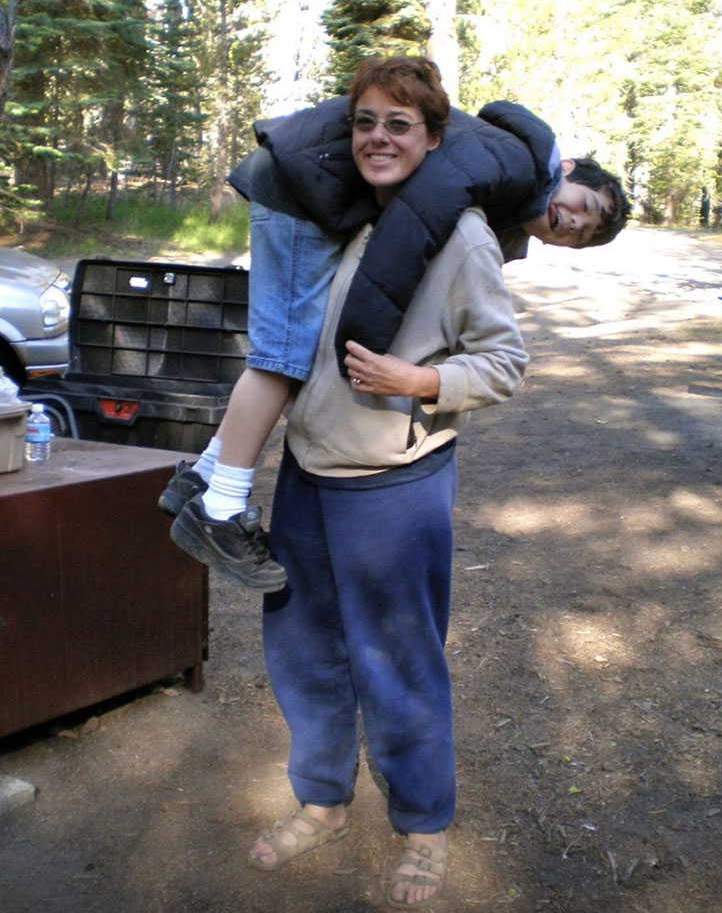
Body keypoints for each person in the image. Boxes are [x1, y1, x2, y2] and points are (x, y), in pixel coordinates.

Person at [163, 76, 630, 593]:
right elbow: (419, 216)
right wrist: (364, 332)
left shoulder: (509, 189)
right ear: (565, 170)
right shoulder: (520, 167)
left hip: (304, 180)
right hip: (298, 183)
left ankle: (205, 472)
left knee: (291, 345)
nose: (571, 223)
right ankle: (221, 507)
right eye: (583, 205)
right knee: (282, 356)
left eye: (580, 235)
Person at [245, 54, 528, 907]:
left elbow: (505, 360)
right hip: (308, 470)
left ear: (434, 140)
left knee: (399, 661)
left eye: (399, 125)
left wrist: (422, 382)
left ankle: (424, 826)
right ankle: (324, 802)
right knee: (304, 654)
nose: (377, 138)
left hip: (395, 482)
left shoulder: (463, 236)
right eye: (366, 121)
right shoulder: (330, 220)